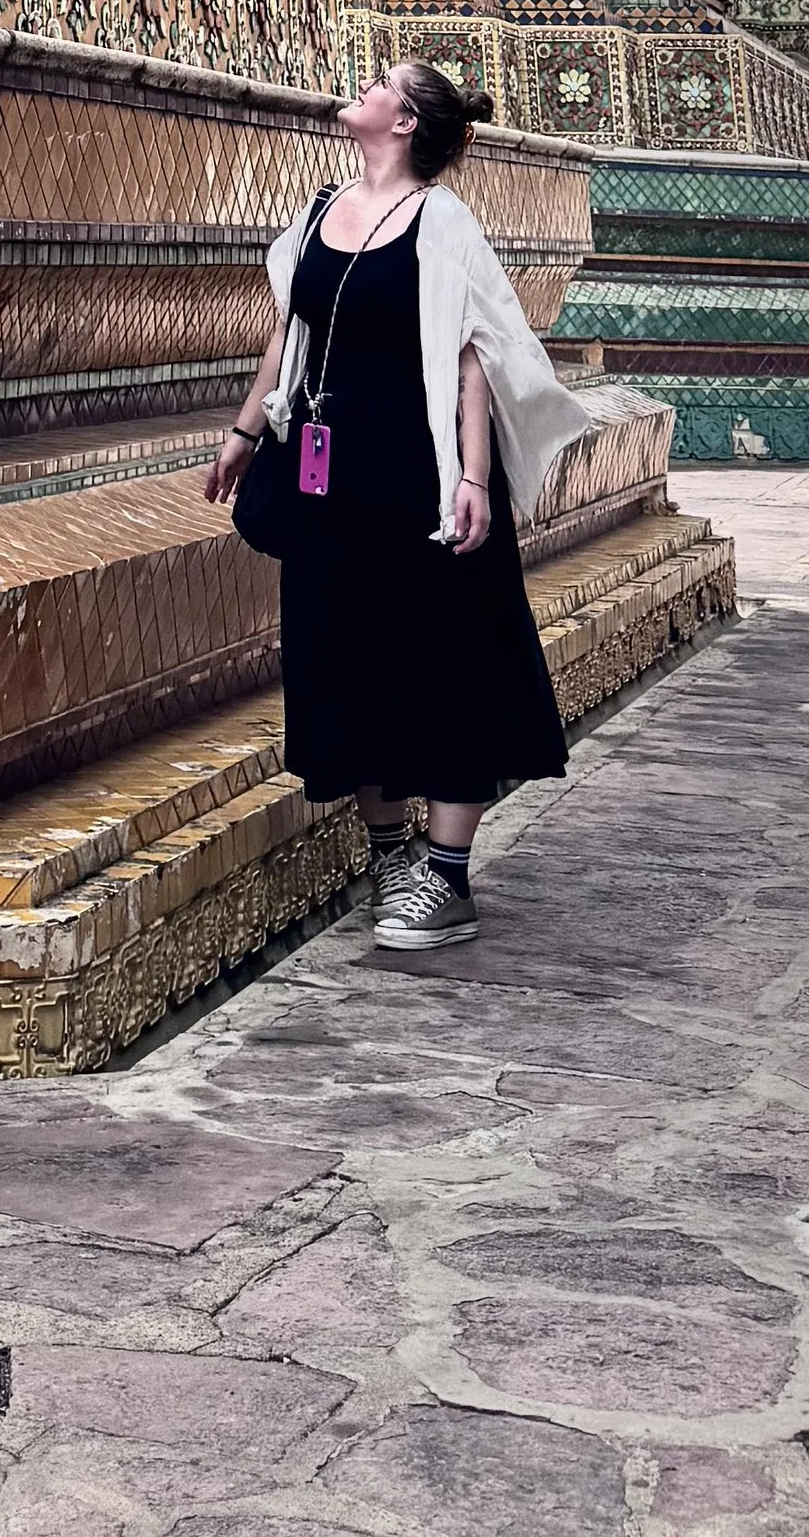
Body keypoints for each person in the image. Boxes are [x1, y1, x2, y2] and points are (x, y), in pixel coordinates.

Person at [203, 53, 642, 954]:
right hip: (331, 474)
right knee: (346, 660)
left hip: (420, 472)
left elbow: (473, 357)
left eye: (379, 86)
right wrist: (245, 433)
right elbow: (290, 333)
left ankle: (447, 878)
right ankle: (390, 852)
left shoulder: (442, 225)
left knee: (444, 660)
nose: (359, 90)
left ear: (404, 124)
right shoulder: (323, 210)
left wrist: (473, 478)